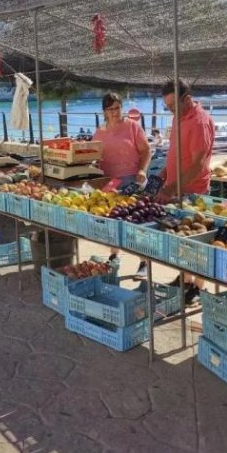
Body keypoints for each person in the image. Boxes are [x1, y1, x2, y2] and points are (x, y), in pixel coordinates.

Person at [157, 80, 215, 305]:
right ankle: (185, 278)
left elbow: (198, 165)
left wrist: (171, 187)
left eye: (173, 105)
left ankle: (198, 287)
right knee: (182, 241)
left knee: (198, 243)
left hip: (194, 193)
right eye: (167, 106)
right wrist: (162, 175)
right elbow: (174, 153)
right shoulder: (178, 117)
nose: (170, 110)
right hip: (177, 191)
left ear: (187, 98)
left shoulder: (199, 121)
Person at [93, 92, 152, 260]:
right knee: (112, 221)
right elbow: (95, 158)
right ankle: (114, 256)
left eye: (118, 108)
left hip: (132, 180)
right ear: (104, 111)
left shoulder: (132, 126)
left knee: (137, 224)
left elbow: (147, 150)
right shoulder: (99, 132)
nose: (115, 112)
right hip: (109, 183)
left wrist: (142, 170)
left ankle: (143, 262)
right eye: (111, 109)